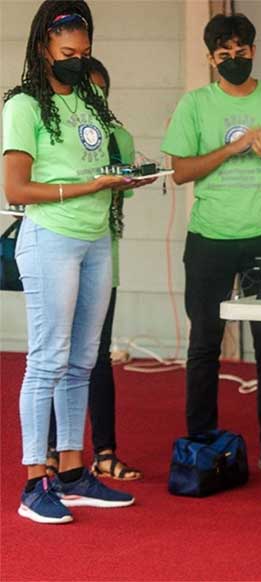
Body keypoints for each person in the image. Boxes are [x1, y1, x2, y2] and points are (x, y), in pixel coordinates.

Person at [2, 1, 152, 523]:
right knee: (46, 358)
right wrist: (92, 185)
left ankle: (71, 472)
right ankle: (32, 483)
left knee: (82, 361)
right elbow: (17, 187)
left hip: (96, 239)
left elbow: (99, 156)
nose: (77, 61)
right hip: (51, 240)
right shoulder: (22, 106)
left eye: (85, 52)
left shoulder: (90, 98)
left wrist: (126, 175)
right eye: (68, 52)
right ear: (43, 44)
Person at [161, 13, 261, 476]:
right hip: (209, 237)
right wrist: (233, 148)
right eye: (223, 55)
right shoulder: (194, 105)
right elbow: (181, 171)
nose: (233, 60)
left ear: (253, 51)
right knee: (204, 341)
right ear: (210, 60)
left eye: (241, 52)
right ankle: (202, 442)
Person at [45, 57, 142, 481]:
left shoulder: (117, 135)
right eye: (86, 87)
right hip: (57, 253)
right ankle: (50, 452)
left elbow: (120, 199)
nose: (93, 96)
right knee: (55, 358)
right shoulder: (50, 127)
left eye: (100, 90)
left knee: (96, 357)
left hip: (102, 258)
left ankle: (104, 452)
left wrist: (125, 180)